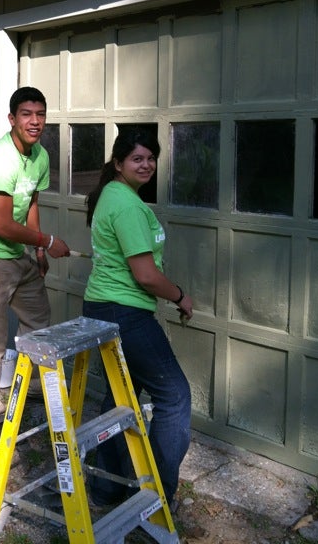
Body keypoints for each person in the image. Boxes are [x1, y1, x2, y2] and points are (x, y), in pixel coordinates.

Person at [82, 128, 193, 510]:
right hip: (125, 313)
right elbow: (145, 274)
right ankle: (157, 499)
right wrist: (180, 295)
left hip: (104, 307)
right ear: (119, 163)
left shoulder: (114, 195)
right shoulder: (127, 205)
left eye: (150, 158)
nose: (146, 165)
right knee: (174, 397)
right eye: (137, 159)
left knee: (120, 400)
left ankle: (105, 491)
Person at [0, 86, 70, 440]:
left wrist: (37, 251)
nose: (34, 121)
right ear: (12, 119)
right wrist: (48, 242)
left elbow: (32, 200)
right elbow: (2, 225)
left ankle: (32, 389)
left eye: (40, 115)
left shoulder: (40, 156)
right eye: (26, 114)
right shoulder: (0, 159)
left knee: (39, 320)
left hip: (16, 254)